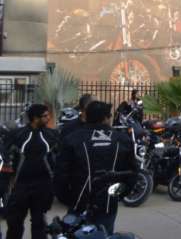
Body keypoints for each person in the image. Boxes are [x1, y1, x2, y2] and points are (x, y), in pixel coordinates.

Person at [54, 101, 138, 234]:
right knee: (103, 234)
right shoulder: (122, 139)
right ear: (105, 118)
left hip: (78, 201)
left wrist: (67, 198)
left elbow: (60, 173)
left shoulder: (72, 139)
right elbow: (133, 173)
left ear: (86, 116)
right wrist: (119, 193)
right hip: (106, 203)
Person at [4, 104, 59, 239]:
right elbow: (5, 156)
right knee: (15, 223)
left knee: (39, 223)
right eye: (45, 116)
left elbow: (59, 158)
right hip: (20, 185)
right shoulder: (17, 135)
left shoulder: (52, 135)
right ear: (35, 118)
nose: (48, 118)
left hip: (43, 185)